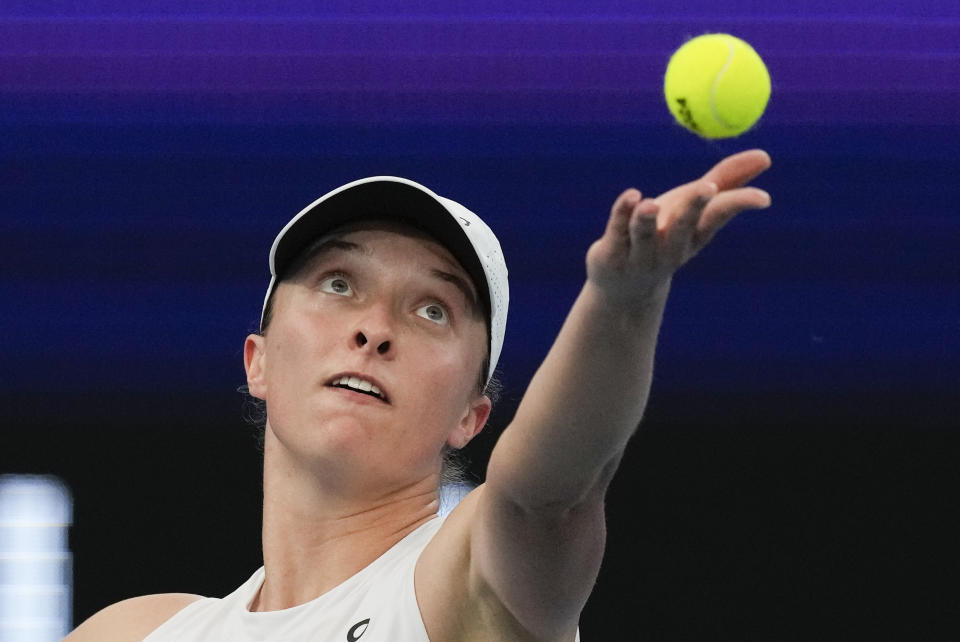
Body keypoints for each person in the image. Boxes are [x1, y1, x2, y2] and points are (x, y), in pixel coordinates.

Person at [65, 149, 772, 641]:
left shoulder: (462, 589)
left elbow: (548, 490)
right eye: (339, 284)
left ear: (472, 414)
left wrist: (623, 300)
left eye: (432, 309)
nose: (374, 329)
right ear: (259, 363)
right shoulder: (134, 633)